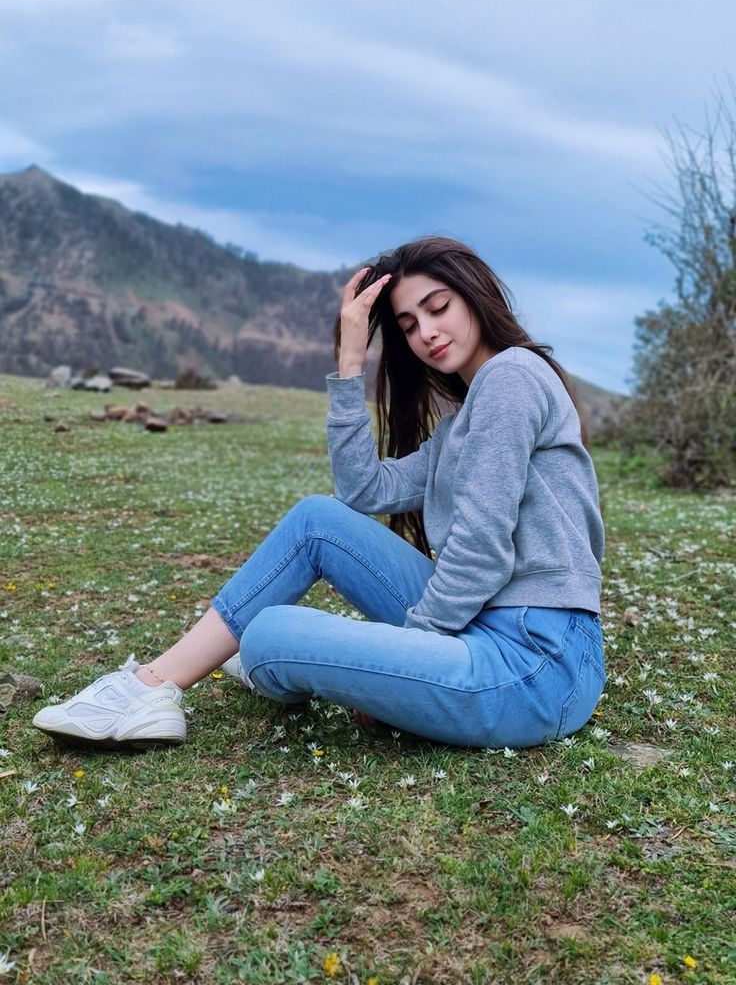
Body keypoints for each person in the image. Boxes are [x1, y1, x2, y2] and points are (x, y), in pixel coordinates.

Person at [33, 235, 606, 751]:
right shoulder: (464, 420)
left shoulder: (511, 378)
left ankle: (218, 669)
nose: (426, 331)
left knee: (269, 634)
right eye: (407, 324)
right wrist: (350, 361)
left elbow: (481, 550)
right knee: (316, 520)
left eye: (438, 307)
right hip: (490, 626)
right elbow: (362, 488)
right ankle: (151, 688)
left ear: (475, 296)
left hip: (535, 665)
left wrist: (405, 658)